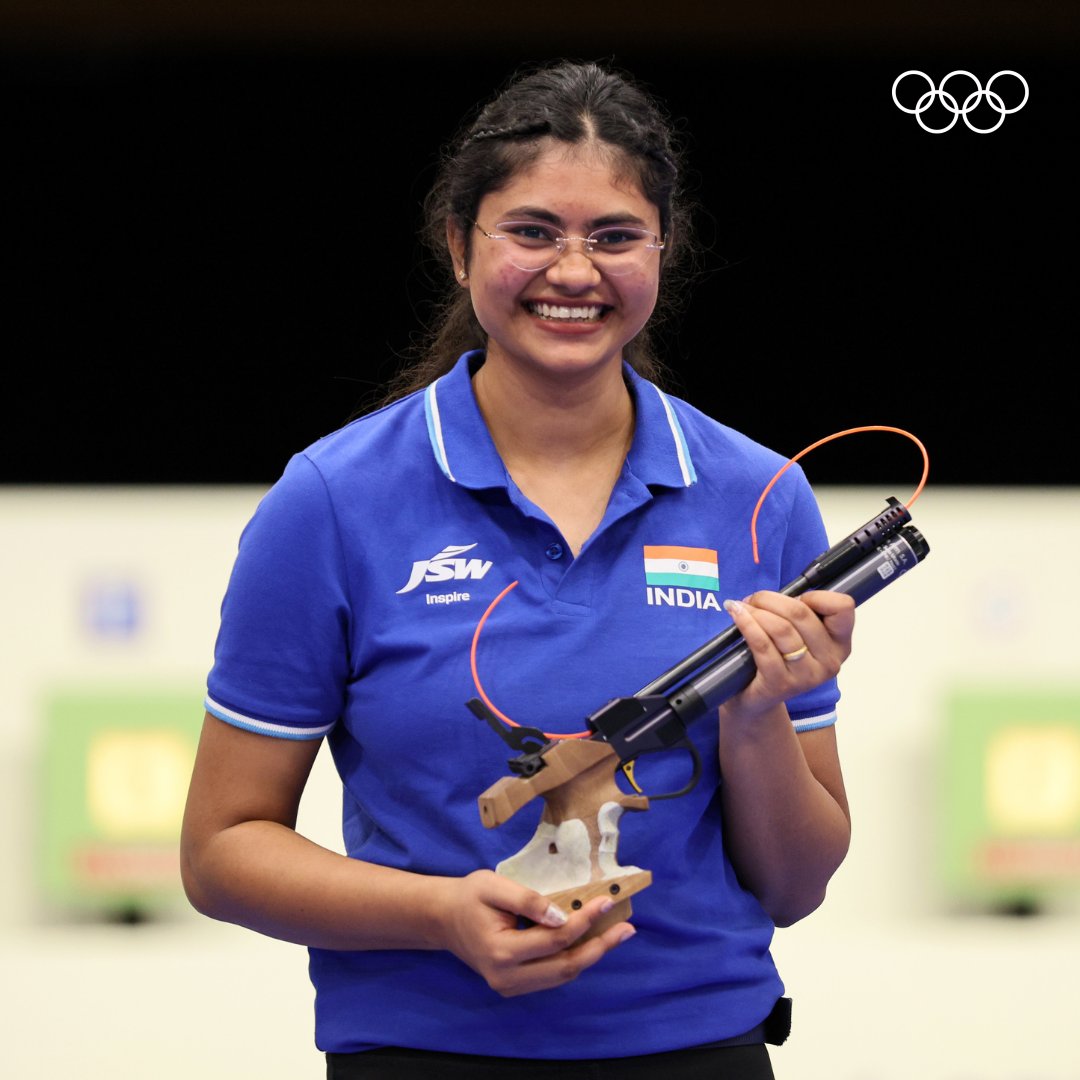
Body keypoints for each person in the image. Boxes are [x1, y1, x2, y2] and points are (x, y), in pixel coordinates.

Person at [180, 58, 855, 1080]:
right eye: (533, 231)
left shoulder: (759, 497)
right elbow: (222, 848)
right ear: (459, 247)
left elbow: (795, 886)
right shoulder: (331, 501)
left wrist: (758, 713)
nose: (574, 272)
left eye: (615, 236)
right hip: (421, 1053)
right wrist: (442, 914)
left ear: (662, 251)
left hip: (698, 1051)